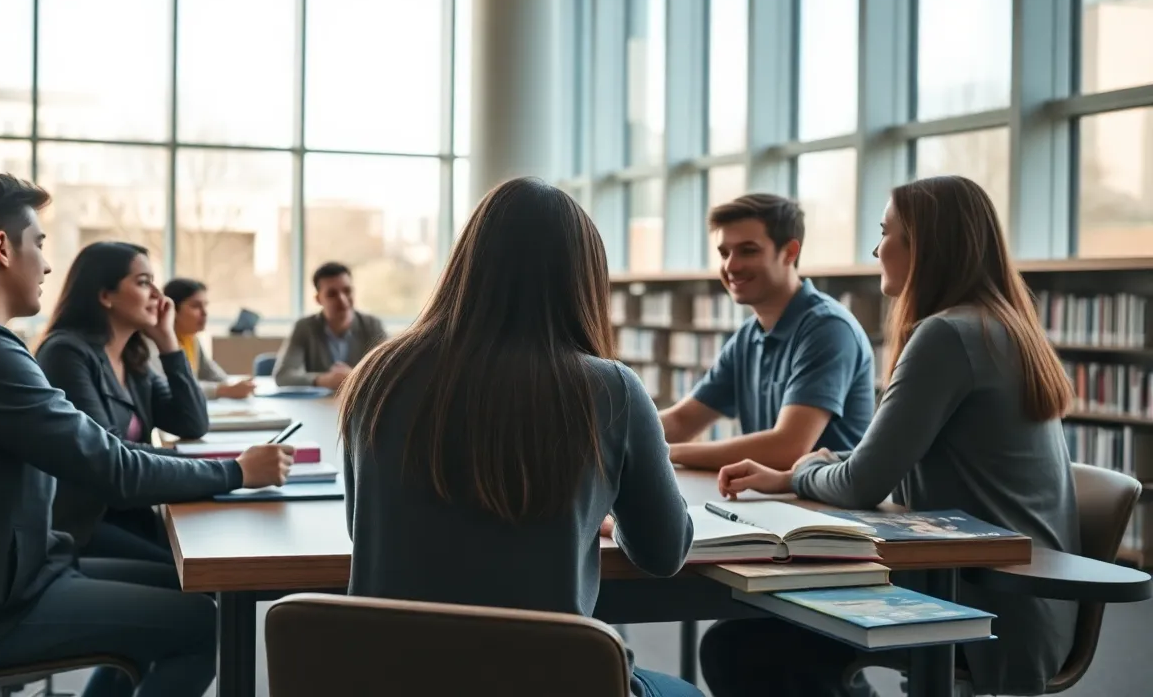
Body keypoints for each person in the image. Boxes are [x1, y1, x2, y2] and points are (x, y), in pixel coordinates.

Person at [0, 167, 294, 697]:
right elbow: (111, 465)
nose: (46, 264)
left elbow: (119, 448)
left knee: (193, 592)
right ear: (2, 248)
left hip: (3, 576)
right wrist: (236, 472)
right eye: (38, 244)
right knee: (202, 626)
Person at [704, 175, 1080, 697]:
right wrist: (797, 473)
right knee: (751, 641)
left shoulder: (946, 335)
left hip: (981, 605)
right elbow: (887, 457)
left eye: (885, 233)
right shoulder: (996, 324)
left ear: (924, 244)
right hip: (1022, 596)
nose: (877, 249)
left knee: (741, 648)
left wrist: (804, 470)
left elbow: (862, 483)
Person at [339, 176, 702, 697]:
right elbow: (664, 552)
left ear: (466, 265)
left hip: (392, 680)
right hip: (551, 681)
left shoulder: (377, 375)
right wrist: (603, 509)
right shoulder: (611, 389)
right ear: (582, 282)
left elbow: (363, 528)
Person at [659, 193, 877, 471]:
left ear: (790, 252)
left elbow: (787, 448)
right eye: (724, 253)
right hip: (769, 494)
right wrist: (614, 433)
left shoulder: (829, 329)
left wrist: (666, 452)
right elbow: (682, 421)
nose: (731, 266)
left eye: (748, 251)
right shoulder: (748, 336)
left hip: (821, 498)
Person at [34, 242, 213, 565]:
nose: (159, 296)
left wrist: (169, 344)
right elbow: (112, 455)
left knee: (205, 556)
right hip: (84, 524)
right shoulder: (65, 354)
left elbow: (192, 421)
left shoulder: (133, 357)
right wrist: (223, 468)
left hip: (130, 513)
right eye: (144, 282)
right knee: (195, 577)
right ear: (106, 295)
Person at [273, 261, 388, 389]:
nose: (342, 299)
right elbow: (283, 376)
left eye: (347, 291)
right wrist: (322, 380)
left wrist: (352, 377)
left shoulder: (372, 325)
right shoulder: (304, 327)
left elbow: (389, 372)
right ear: (318, 299)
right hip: (320, 401)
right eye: (332, 294)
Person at [155, 277, 256, 400]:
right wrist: (222, 390)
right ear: (172, 310)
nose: (204, 313)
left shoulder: (191, 339)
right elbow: (173, 387)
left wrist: (234, 386)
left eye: (205, 305)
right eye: (196, 306)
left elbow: (210, 372)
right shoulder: (159, 343)